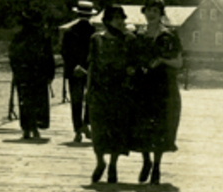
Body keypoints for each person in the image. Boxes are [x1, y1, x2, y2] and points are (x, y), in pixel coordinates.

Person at [79, 5, 135, 184]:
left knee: (116, 131)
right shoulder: (96, 39)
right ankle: (100, 162)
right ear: (106, 20)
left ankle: (113, 165)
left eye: (121, 17)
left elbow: (134, 64)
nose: (119, 21)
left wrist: (131, 71)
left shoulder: (129, 39)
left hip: (120, 91)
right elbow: (92, 66)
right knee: (98, 131)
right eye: (115, 17)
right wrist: (88, 91)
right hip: (99, 91)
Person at [132, 0, 184, 185]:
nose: (151, 13)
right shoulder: (138, 34)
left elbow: (179, 63)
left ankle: (156, 167)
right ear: (144, 12)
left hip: (163, 88)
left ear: (161, 13)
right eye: (148, 10)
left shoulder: (169, 35)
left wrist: (162, 60)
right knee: (142, 126)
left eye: (155, 10)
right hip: (142, 87)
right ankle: (146, 161)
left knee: (161, 127)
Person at [9, 7, 56, 139]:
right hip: (37, 74)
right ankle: (33, 127)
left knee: (26, 100)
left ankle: (27, 128)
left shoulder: (19, 37)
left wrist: (16, 71)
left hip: (25, 74)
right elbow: (49, 57)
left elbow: (12, 56)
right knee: (37, 101)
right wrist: (50, 74)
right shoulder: (42, 36)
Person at [60, 0, 97, 143]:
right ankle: (86, 125)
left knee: (76, 101)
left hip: (74, 71)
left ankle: (78, 129)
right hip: (90, 71)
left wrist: (75, 65)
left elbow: (65, 52)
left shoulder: (70, 31)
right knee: (90, 100)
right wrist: (87, 67)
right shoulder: (94, 32)